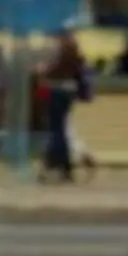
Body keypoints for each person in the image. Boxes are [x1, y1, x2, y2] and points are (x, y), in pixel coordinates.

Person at [36, 27, 95, 183]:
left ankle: (55, 164)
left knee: (57, 130)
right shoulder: (75, 53)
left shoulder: (65, 53)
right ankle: (64, 167)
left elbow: (55, 71)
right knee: (62, 128)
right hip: (68, 91)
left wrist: (43, 70)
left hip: (57, 90)